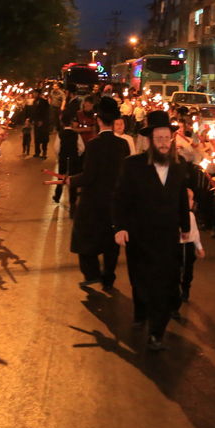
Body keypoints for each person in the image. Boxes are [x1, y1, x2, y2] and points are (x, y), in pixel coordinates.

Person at [113, 110, 190, 351]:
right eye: (159, 139)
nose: (164, 143)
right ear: (149, 140)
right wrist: (120, 227)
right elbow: (121, 198)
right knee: (141, 282)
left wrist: (185, 227)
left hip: (167, 238)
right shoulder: (133, 165)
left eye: (167, 138)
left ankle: (157, 332)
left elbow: (181, 199)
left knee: (164, 285)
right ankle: (141, 310)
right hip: (140, 236)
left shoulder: (179, 167)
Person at [68, 97, 130, 288]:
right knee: (111, 242)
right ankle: (108, 277)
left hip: (93, 201)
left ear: (99, 119)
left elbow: (89, 176)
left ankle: (92, 273)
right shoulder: (123, 145)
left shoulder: (94, 145)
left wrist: (71, 180)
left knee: (85, 237)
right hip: (115, 201)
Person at [177, 188, 205, 308]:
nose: (193, 201)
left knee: (188, 270)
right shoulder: (179, 214)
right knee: (177, 270)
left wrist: (199, 247)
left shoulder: (191, 215)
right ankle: (177, 292)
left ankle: (185, 290)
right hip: (178, 246)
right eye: (191, 199)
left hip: (188, 246)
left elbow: (195, 233)